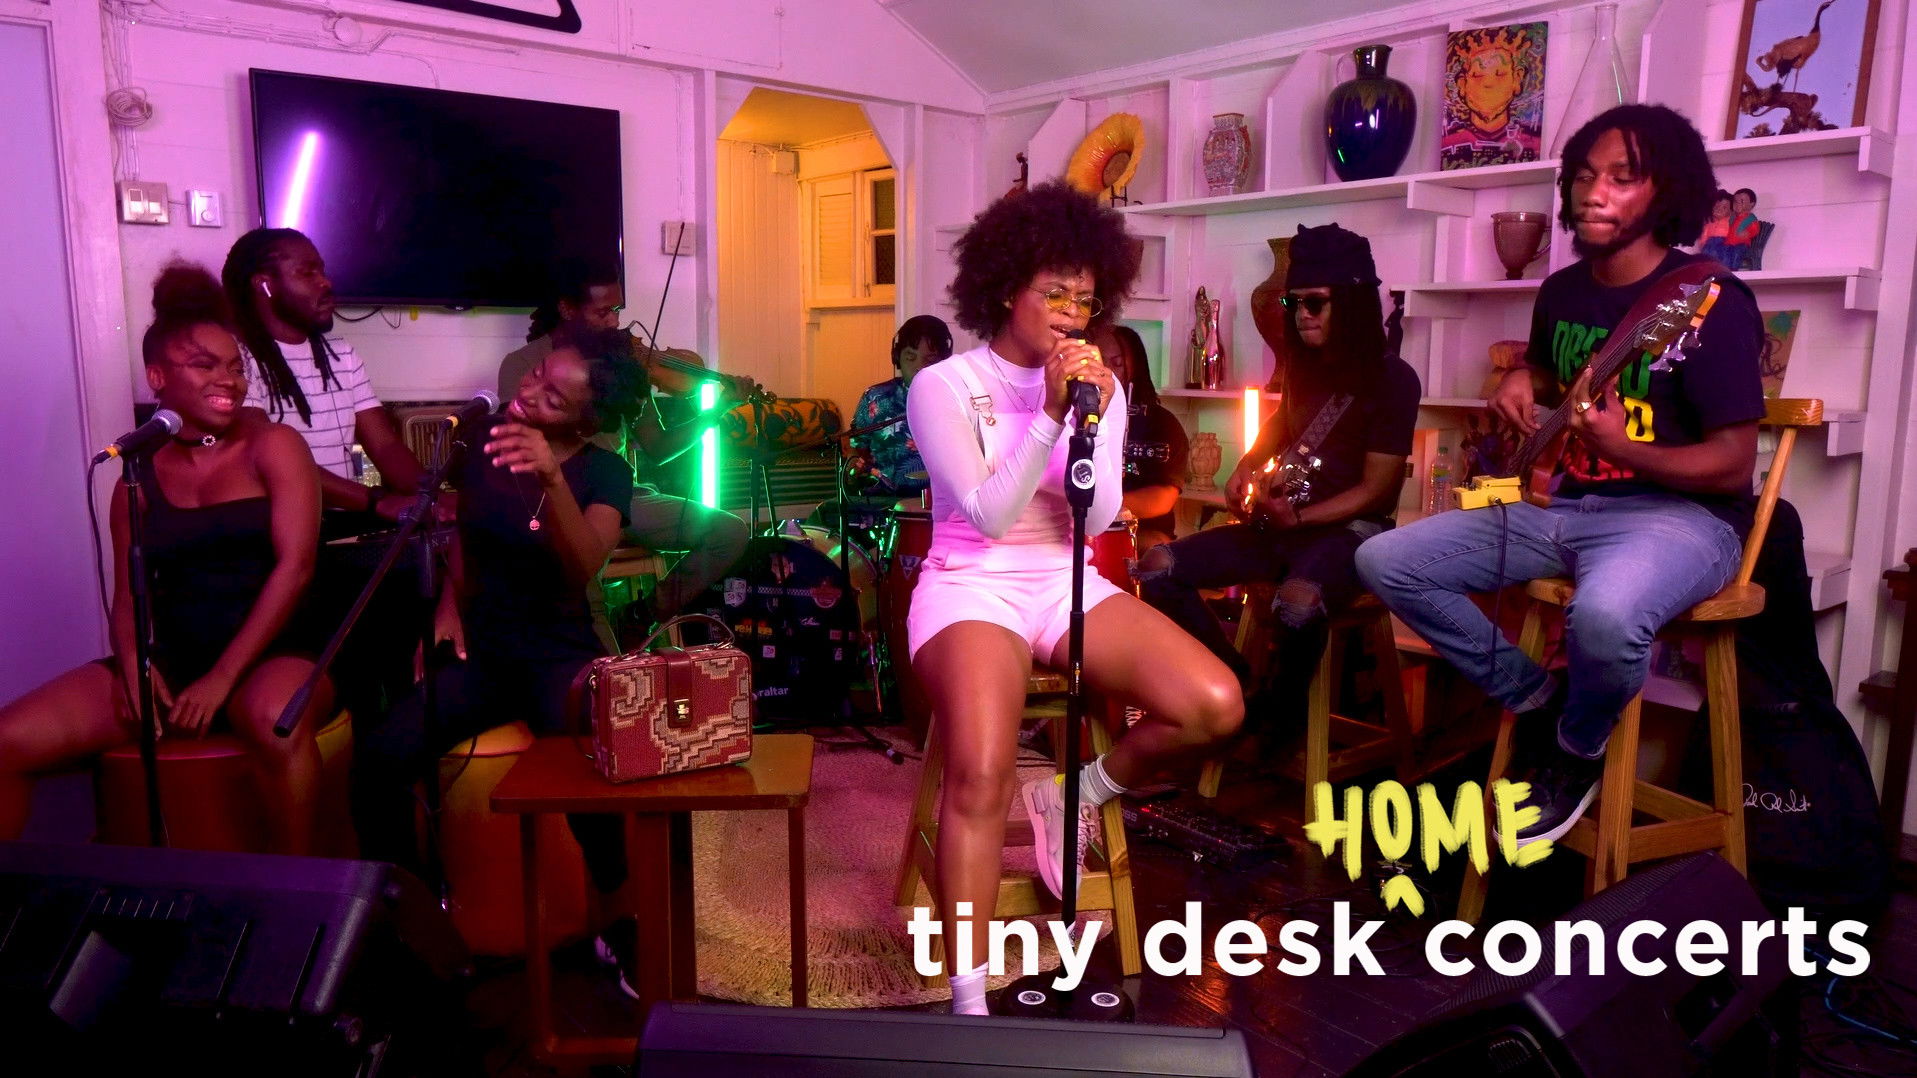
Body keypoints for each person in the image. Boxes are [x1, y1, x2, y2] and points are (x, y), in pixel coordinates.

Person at [1356, 104, 1764, 844]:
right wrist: (1522, 380)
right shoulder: (1565, 291)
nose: (1593, 193)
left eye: (1622, 178)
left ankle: (1576, 748)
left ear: (1665, 191)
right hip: (1567, 509)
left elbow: (1732, 464)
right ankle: (1541, 702)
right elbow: (1553, 376)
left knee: (1603, 619)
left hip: (1685, 521)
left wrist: (1625, 449)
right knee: (1386, 560)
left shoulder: (1712, 302)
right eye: (1583, 176)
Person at [909, 181, 1242, 1016]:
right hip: (969, 586)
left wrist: (1090, 414)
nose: (1069, 314)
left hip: (1065, 581)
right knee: (981, 770)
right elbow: (989, 517)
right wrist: (1049, 417)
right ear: (1004, 289)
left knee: (1213, 703)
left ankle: (1078, 793)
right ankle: (969, 1003)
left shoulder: (1105, 388)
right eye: (1053, 293)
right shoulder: (945, 386)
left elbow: (1095, 519)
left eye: (1084, 300)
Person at [354, 324, 649, 986]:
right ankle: (408, 922)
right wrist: (447, 607)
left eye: (554, 396)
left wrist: (551, 477)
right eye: (539, 374)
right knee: (380, 757)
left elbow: (581, 566)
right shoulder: (484, 442)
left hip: (556, 650)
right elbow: (466, 532)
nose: (532, 389)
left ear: (585, 420)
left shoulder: (606, 472)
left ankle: (618, 920)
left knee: (591, 766)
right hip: (485, 649)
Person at [0, 264, 330, 854]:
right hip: (175, 658)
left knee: (272, 722)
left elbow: (296, 568)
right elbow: (130, 596)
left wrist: (222, 678)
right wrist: (132, 663)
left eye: (235, 367)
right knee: (7, 741)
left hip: (276, 650)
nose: (229, 380)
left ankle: (301, 895)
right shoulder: (137, 472)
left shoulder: (274, 446)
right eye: (205, 365)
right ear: (158, 377)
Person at [1137, 224, 1419, 738]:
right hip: (1283, 525)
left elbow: (1376, 491)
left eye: (1315, 303)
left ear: (1352, 303)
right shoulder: (1304, 366)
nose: (1301, 314)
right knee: (1156, 568)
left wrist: (1301, 517)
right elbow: (1282, 423)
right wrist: (1248, 463)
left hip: (1350, 533)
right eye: (1293, 303)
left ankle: (1280, 723)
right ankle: (1239, 688)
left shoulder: (1393, 379)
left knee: (1298, 601)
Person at [500, 264, 752, 623]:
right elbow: (519, 442)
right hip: (556, 495)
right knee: (577, 576)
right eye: (603, 312)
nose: (615, 322)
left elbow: (659, 447)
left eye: (617, 310)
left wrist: (717, 410)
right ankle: (595, 637)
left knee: (729, 532)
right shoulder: (522, 363)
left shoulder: (624, 366)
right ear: (568, 309)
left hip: (622, 494)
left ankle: (640, 616)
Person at [223, 228, 425, 520]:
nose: (325, 282)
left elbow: (385, 445)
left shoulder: (342, 355)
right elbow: (272, 461)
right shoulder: (235, 361)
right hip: (279, 532)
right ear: (265, 285)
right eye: (307, 273)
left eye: (322, 271)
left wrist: (431, 498)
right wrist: (376, 501)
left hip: (345, 523)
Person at [1089, 322, 1188, 552]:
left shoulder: (1163, 423)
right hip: (1082, 531)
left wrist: (1102, 507)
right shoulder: (1074, 415)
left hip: (1141, 531)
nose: (1106, 371)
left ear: (1135, 368)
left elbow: (1163, 499)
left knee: (1155, 548)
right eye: (1100, 361)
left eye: (1117, 363)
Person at [1698, 189, 1734, 265]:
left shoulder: (1731, 222)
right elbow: (1703, 238)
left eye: (1724, 207)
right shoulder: (1708, 223)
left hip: (1724, 247)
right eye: (1716, 206)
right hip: (1709, 248)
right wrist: (1702, 244)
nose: (1719, 209)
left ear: (1731, 211)